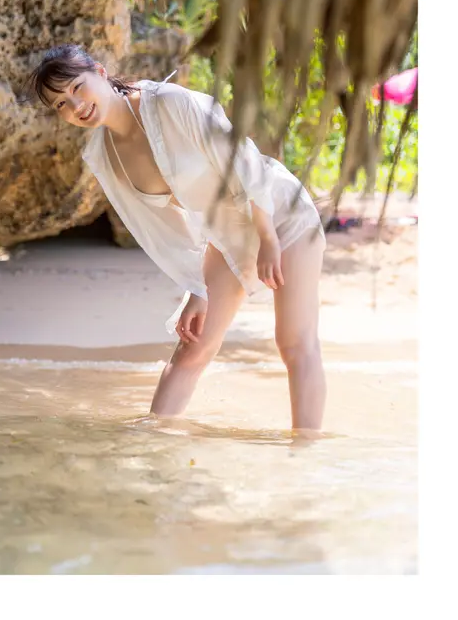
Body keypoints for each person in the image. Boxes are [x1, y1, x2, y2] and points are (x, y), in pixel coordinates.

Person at [25, 45, 327, 430]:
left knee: (294, 342)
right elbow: (163, 228)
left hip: (280, 213)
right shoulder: (103, 155)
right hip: (226, 235)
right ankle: (155, 442)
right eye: (60, 104)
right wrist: (196, 286)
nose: (74, 105)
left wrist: (268, 237)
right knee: (192, 347)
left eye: (76, 87)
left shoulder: (170, 102)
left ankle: (304, 450)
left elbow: (243, 158)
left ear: (100, 72)